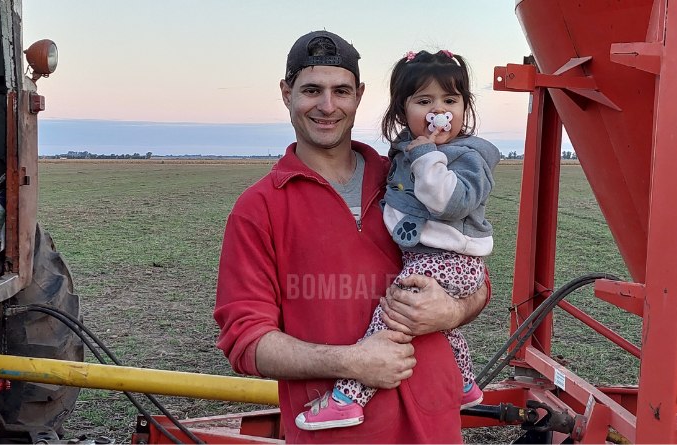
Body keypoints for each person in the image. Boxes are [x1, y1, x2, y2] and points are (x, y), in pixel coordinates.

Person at [213, 31, 490, 444]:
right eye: (311, 90)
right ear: (286, 93)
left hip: (435, 427)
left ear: (359, 95)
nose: (327, 106)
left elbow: (478, 282)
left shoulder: (407, 178)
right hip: (338, 434)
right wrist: (353, 361)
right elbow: (245, 341)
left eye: (341, 91)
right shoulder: (258, 208)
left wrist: (450, 313)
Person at [294, 49, 501, 432]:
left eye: (450, 101)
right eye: (424, 101)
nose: (438, 111)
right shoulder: (402, 156)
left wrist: (425, 155)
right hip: (437, 258)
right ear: (401, 110)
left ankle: (348, 397)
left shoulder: (462, 157)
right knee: (440, 325)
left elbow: (448, 202)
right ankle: (466, 383)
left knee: (393, 311)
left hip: (446, 260)